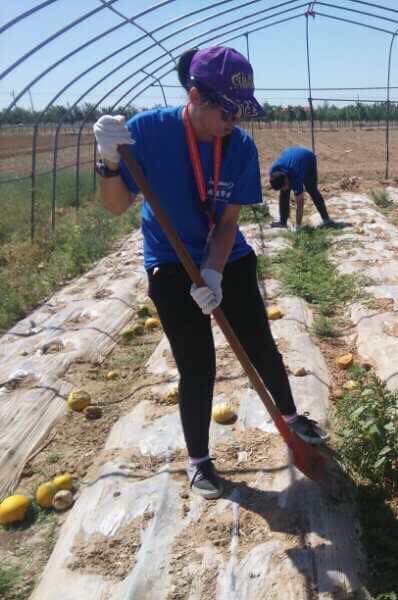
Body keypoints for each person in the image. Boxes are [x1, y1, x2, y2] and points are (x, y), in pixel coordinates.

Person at [92, 46, 327, 500]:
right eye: (226, 110)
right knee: (197, 364)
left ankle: (291, 418)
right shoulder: (146, 133)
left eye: (241, 111)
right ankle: (199, 460)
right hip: (169, 259)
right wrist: (109, 160)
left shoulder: (238, 145)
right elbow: (116, 205)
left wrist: (215, 273)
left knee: (259, 340)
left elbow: (227, 223)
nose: (233, 121)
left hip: (227, 256)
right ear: (195, 95)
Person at [268, 147, 337, 229]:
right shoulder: (273, 171)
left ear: (286, 179)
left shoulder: (295, 175)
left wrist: (298, 226)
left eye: (284, 186)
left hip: (309, 159)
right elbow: (282, 186)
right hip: (291, 155)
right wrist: (284, 188)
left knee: (311, 189)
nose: (285, 188)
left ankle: (326, 219)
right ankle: (283, 222)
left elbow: (300, 203)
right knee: (284, 193)